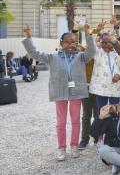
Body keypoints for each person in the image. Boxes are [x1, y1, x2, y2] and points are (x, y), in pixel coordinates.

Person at [22, 24, 95, 161]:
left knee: (75, 121)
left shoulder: (81, 57)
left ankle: (74, 146)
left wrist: (88, 35)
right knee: (61, 122)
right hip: (60, 92)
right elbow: (34, 53)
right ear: (61, 43)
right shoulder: (52, 57)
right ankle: (61, 148)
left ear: (76, 43)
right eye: (66, 42)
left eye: (73, 42)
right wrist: (28, 38)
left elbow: (92, 51)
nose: (69, 44)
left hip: (76, 92)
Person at [90, 32, 120, 114]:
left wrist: (119, 75)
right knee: (100, 113)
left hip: (114, 89)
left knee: (114, 113)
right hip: (100, 90)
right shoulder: (97, 53)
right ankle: (100, 126)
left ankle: (113, 127)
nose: (106, 45)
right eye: (103, 42)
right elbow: (90, 47)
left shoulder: (119, 54)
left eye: (108, 42)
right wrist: (94, 33)